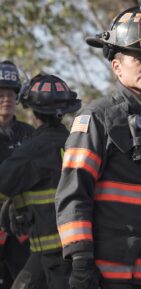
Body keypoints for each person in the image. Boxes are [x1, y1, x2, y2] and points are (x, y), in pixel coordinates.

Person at [54, 6, 141, 289]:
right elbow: (74, 194)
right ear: (116, 66)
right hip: (113, 277)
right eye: (140, 58)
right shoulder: (97, 118)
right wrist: (81, 260)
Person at [0, 73, 81, 289]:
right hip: (77, 251)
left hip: (52, 256)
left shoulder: (31, 151)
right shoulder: (78, 144)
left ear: (34, 112)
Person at [0, 60, 33, 289]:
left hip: (23, 230)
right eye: (1, 94)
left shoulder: (30, 134)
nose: (7, 100)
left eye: (11, 94)